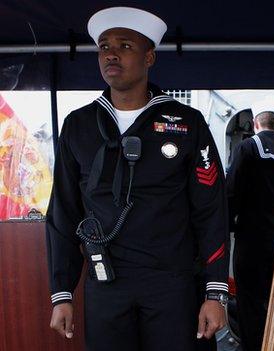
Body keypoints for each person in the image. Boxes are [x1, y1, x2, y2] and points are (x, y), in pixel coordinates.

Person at [46, 7, 229, 351]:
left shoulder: (187, 123)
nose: (111, 53)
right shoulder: (78, 125)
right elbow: (62, 213)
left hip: (173, 285)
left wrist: (215, 292)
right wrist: (62, 293)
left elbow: (211, 211)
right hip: (106, 283)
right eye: (104, 47)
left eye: (125, 46)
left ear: (149, 57)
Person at [226, 96, 274, 351]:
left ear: (256, 123)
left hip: (252, 240)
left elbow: (231, 191)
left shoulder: (248, 147)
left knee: (250, 301)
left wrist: (227, 226)